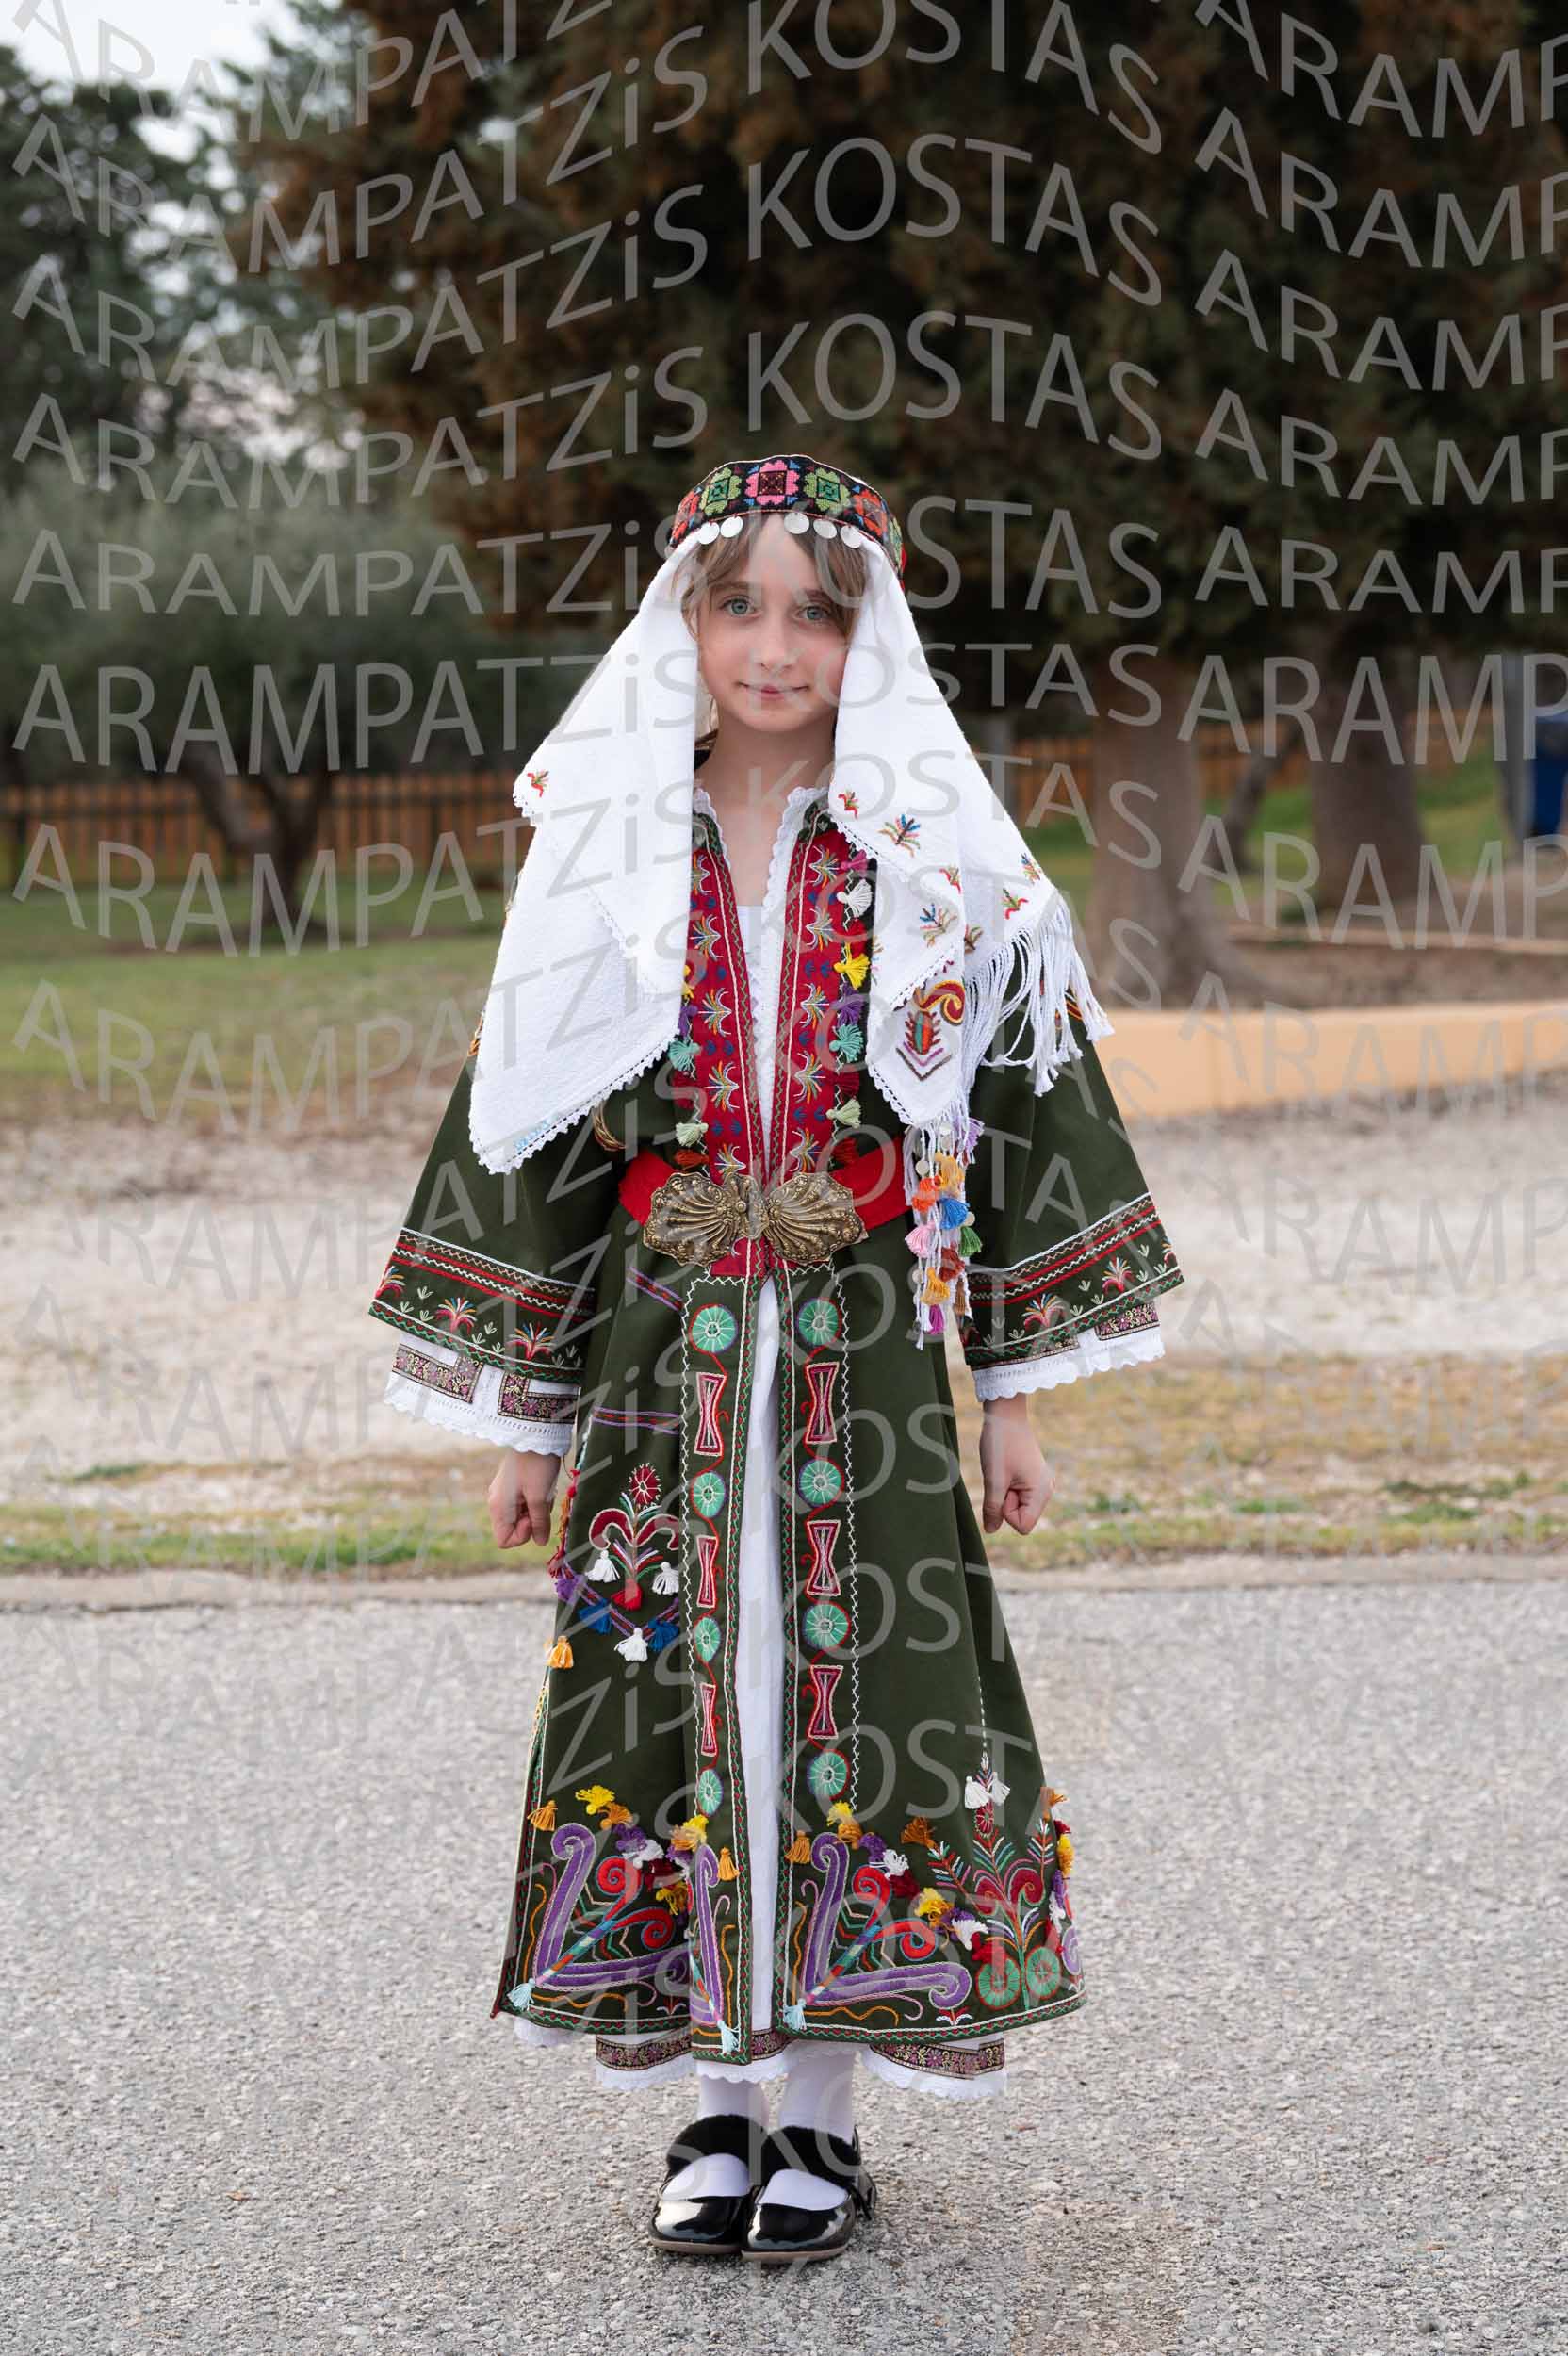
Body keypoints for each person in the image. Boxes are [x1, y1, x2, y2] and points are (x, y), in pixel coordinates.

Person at [368, 451, 1184, 2265]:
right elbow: (537, 1134)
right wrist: (523, 1414)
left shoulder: (933, 855)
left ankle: (820, 2112)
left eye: (817, 611)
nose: (773, 643)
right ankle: (714, 2108)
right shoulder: (607, 846)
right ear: (680, 625)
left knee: (861, 1695)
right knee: (679, 1685)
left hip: (864, 1355)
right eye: (736, 604)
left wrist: (1014, 1396)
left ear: (865, 639)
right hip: (660, 1354)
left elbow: (1015, 1115)